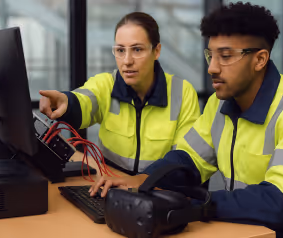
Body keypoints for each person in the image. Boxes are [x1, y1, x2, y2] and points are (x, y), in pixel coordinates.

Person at [89, 2, 283, 237]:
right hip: (243, 230)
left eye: (226, 56)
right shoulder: (219, 104)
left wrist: (194, 205)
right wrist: (142, 182)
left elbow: (279, 203)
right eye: (211, 55)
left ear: (260, 59)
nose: (212, 68)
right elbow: (187, 159)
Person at [39, 12, 200, 175]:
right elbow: (84, 100)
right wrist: (67, 102)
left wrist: (139, 184)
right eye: (120, 50)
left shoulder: (183, 93)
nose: (127, 61)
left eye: (137, 49)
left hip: (160, 193)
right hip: (110, 189)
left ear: (156, 51)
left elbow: (184, 160)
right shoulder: (105, 84)